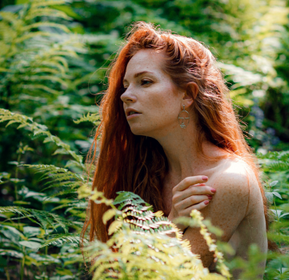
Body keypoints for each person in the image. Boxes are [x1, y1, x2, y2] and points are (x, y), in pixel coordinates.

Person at [83, 22, 270, 278]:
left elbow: (163, 275)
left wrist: (169, 225)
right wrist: (173, 220)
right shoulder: (150, 173)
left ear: (188, 95)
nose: (125, 95)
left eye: (145, 82)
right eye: (126, 85)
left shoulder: (227, 181)